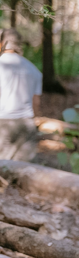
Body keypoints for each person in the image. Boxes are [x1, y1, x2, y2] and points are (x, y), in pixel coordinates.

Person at [0, 28, 43, 162]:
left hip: (3, 122)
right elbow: (36, 102)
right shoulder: (33, 69)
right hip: (26, 123)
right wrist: (34, 120)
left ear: (3, 43)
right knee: (23, 170)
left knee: (2, 168)